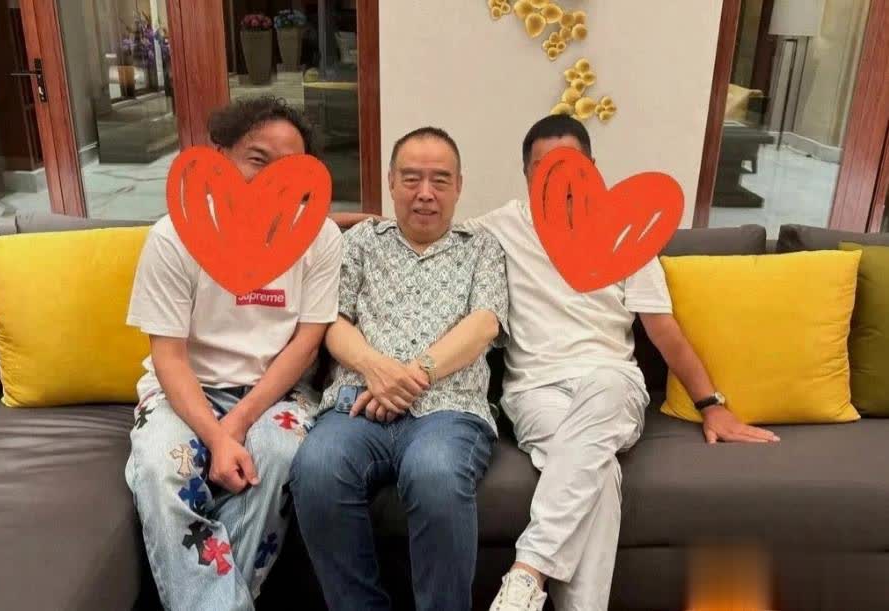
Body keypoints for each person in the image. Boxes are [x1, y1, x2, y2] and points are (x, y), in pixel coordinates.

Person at [464, 115, 780, 611]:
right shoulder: (499, 229)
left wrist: (711, 404)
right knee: (599, 474)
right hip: (535, 391)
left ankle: (527, 574)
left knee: (607, 387)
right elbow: (423, 229)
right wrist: (347, 223)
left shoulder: (626, 232)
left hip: (612, 385)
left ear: (593, 170)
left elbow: (663, 330)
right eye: (544, 169)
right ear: (526, 176)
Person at [124, 96, 343, 610]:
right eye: (257, 159)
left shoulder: (321, 237)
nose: (272, 181)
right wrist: (215, 436)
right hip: (184, 391)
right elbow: (169, 357)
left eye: (290, 170)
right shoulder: (174, 236)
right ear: (220, 157)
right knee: (160, 467)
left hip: (275, 394)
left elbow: (306, 343)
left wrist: (238, 425)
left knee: (278, 457)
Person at [289, 127, 509, 611]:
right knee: (317, 468)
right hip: (356, 405)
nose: (425, 193)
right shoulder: (361, 242)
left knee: (435, 474)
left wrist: (412, 376)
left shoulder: (482, 247)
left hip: (449, 410)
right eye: (411, 178)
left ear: (459, 186)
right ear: (390, 182)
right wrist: (375, 369)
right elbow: (333, 322)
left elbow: (484, 324)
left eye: (439, 180)